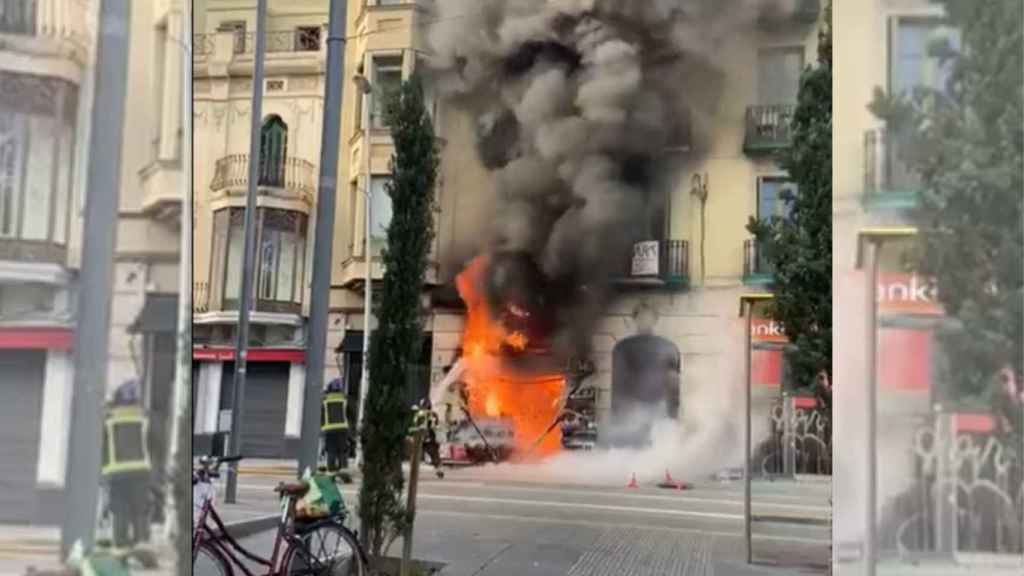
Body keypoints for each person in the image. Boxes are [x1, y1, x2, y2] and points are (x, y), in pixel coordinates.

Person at [102, 379, 152, 549]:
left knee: (120, 512)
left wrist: (102, 472)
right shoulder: (144, 418)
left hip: (116, 473)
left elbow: (101, 447)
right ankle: (141, 546)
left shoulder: (109, 419)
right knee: (140, 511)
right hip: (141, 472)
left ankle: (121, 547)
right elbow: (156, 445)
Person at [321, 377, 350, 473]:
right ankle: (343, 471)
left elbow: (321, 415)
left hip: (329, 430)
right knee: (343, 450)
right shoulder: (344, 399)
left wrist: (322, 428)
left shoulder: (325, 400)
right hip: (343, 429)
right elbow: (350, 414)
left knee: (331, 451)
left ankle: (331, 471)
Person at [412, 400, 444, 478]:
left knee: (416, 454)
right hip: (430, 438)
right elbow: (435, 425)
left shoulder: (419, 414)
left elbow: (415, 423)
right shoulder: (433, 414)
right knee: (434, 455)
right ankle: (439, 470)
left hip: (421, 437)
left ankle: (414, 473)